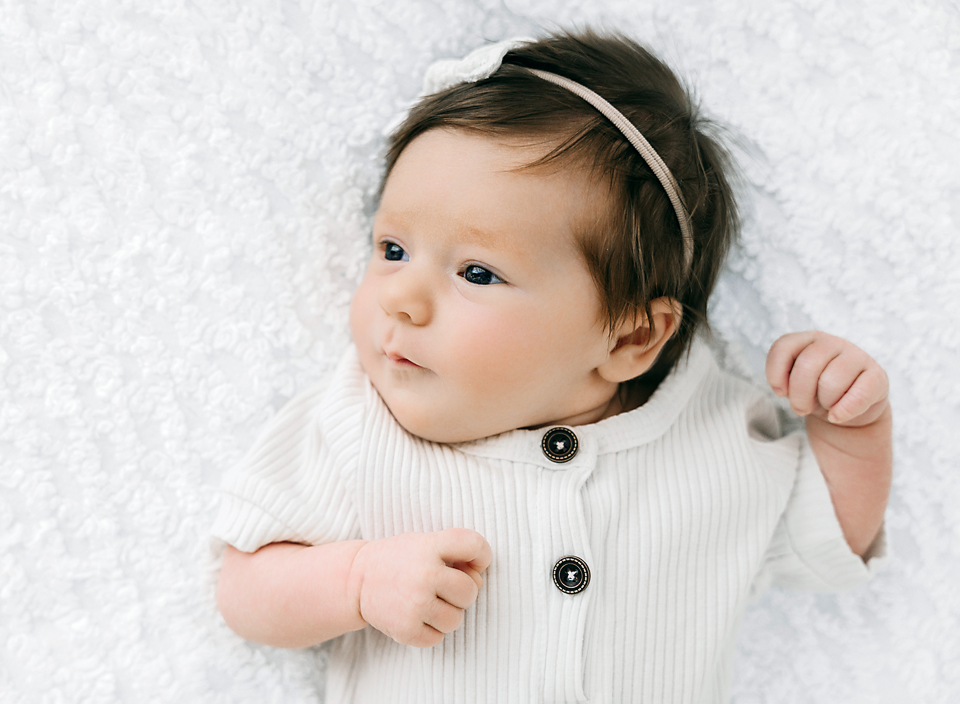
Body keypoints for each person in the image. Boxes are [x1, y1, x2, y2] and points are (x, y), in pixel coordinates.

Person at [212, 30, 891, 703]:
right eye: (392, 249)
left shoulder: (713, 434)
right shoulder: (361, 425)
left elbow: (828, 538)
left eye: (476, 272)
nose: (402, 299)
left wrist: (853, 429)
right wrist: (357, 581)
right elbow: (245, 587)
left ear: (631, 338)